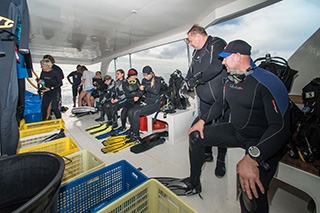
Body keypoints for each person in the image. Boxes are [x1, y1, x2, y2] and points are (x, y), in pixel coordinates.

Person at [185, 39, 290, 213]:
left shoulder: (267, 82)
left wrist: (252, 157)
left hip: (260, 140)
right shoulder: (230, 80)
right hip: (236, 131)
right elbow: (220, 104)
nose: (223, 62)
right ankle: (193, 183)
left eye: (225, 58)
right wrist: (202, 121)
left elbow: (280, 127)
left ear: (238, 56)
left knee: (251, 193)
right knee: (195, 136)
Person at [182, 24, 228, 177]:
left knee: (222, 129)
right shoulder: (196, 52)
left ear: (198, 36)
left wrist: (196, 80)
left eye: (190, 40)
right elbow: (191, 70)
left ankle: (221, 160)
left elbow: (216, 67)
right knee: (203, 126)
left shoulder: (217, 44)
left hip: (220, 99)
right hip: (205, 100)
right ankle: (207, 152)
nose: (190, 43)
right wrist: (186, 82)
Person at [127, 65, 161, 141]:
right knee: (130, 111)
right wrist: (137, 96)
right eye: (144, 75)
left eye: (147, 75)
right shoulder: (144, 80)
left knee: (136, 113)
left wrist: (145, 88)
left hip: (155, 104)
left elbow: (156, 91)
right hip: (147, 102)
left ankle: (136, 136)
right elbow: (141, 91)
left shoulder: (157, 79)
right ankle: (132, 129)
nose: (146, 77)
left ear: (151, 73)